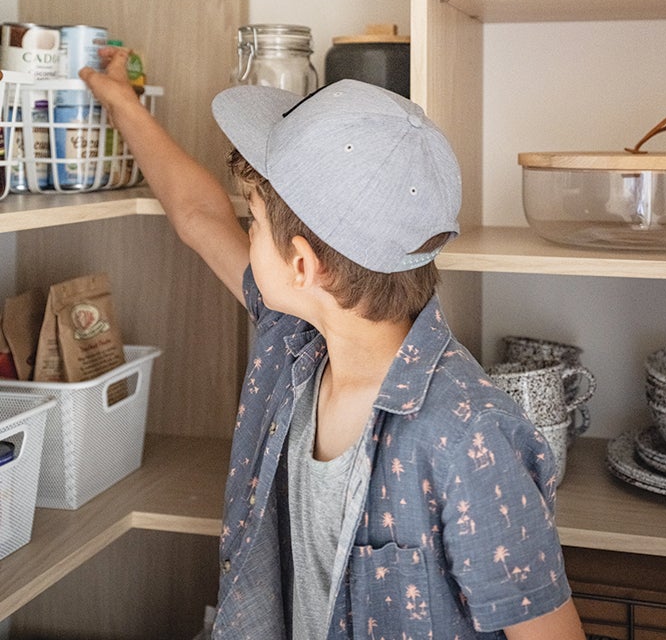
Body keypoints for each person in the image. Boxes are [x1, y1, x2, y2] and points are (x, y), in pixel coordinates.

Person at [81, 47, 587, 640]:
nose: (245, 238)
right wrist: (120, 100)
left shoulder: (470, 435)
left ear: (302, 266)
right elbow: (197, 215)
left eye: (254, 224)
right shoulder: (295, 336)